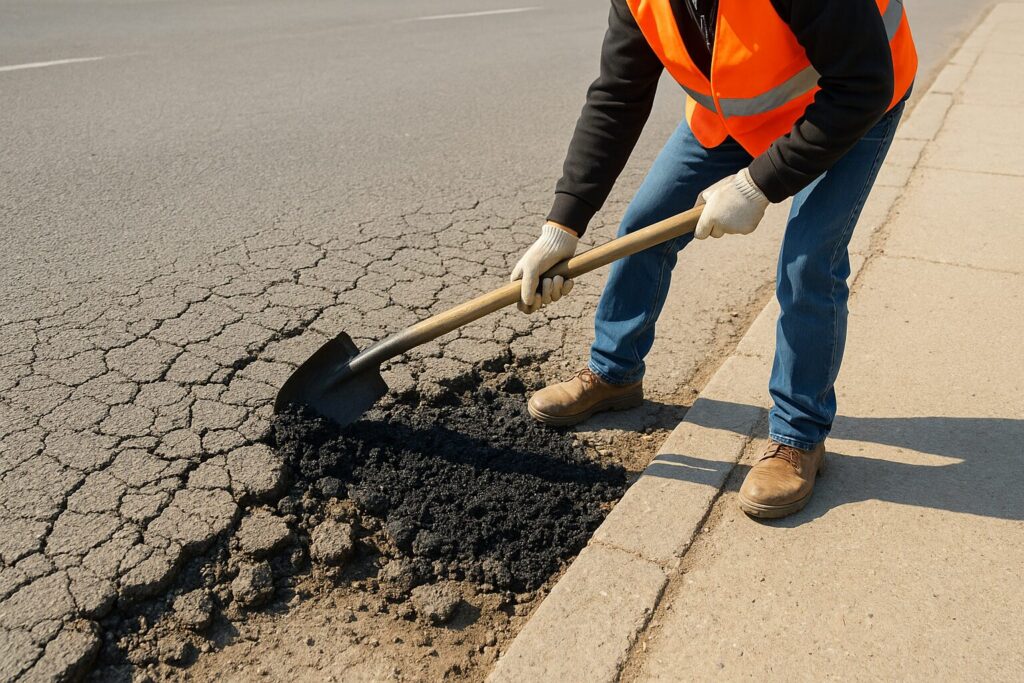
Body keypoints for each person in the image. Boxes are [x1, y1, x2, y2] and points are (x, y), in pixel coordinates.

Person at [509, 0, 916, 518]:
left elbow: (862, 84)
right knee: (645, 225)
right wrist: (561, 227)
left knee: (808, 264)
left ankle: (799, 436)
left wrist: (758, 184)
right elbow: (618, 94)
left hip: (852, 100)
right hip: (739, 113)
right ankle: (614, 373)